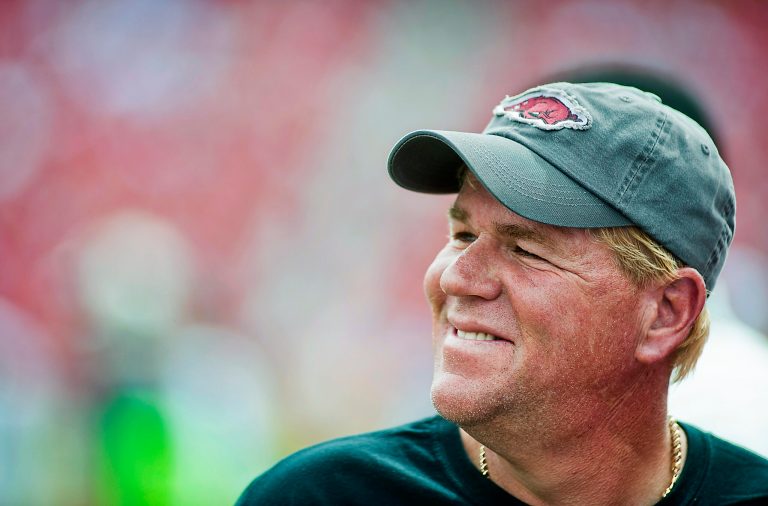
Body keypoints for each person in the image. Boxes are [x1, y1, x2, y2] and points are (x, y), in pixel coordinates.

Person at [236, 82, 768, 505]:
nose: (456, 278)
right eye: (463, 234)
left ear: (665, 313)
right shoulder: (321, 496)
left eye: (525, 249)